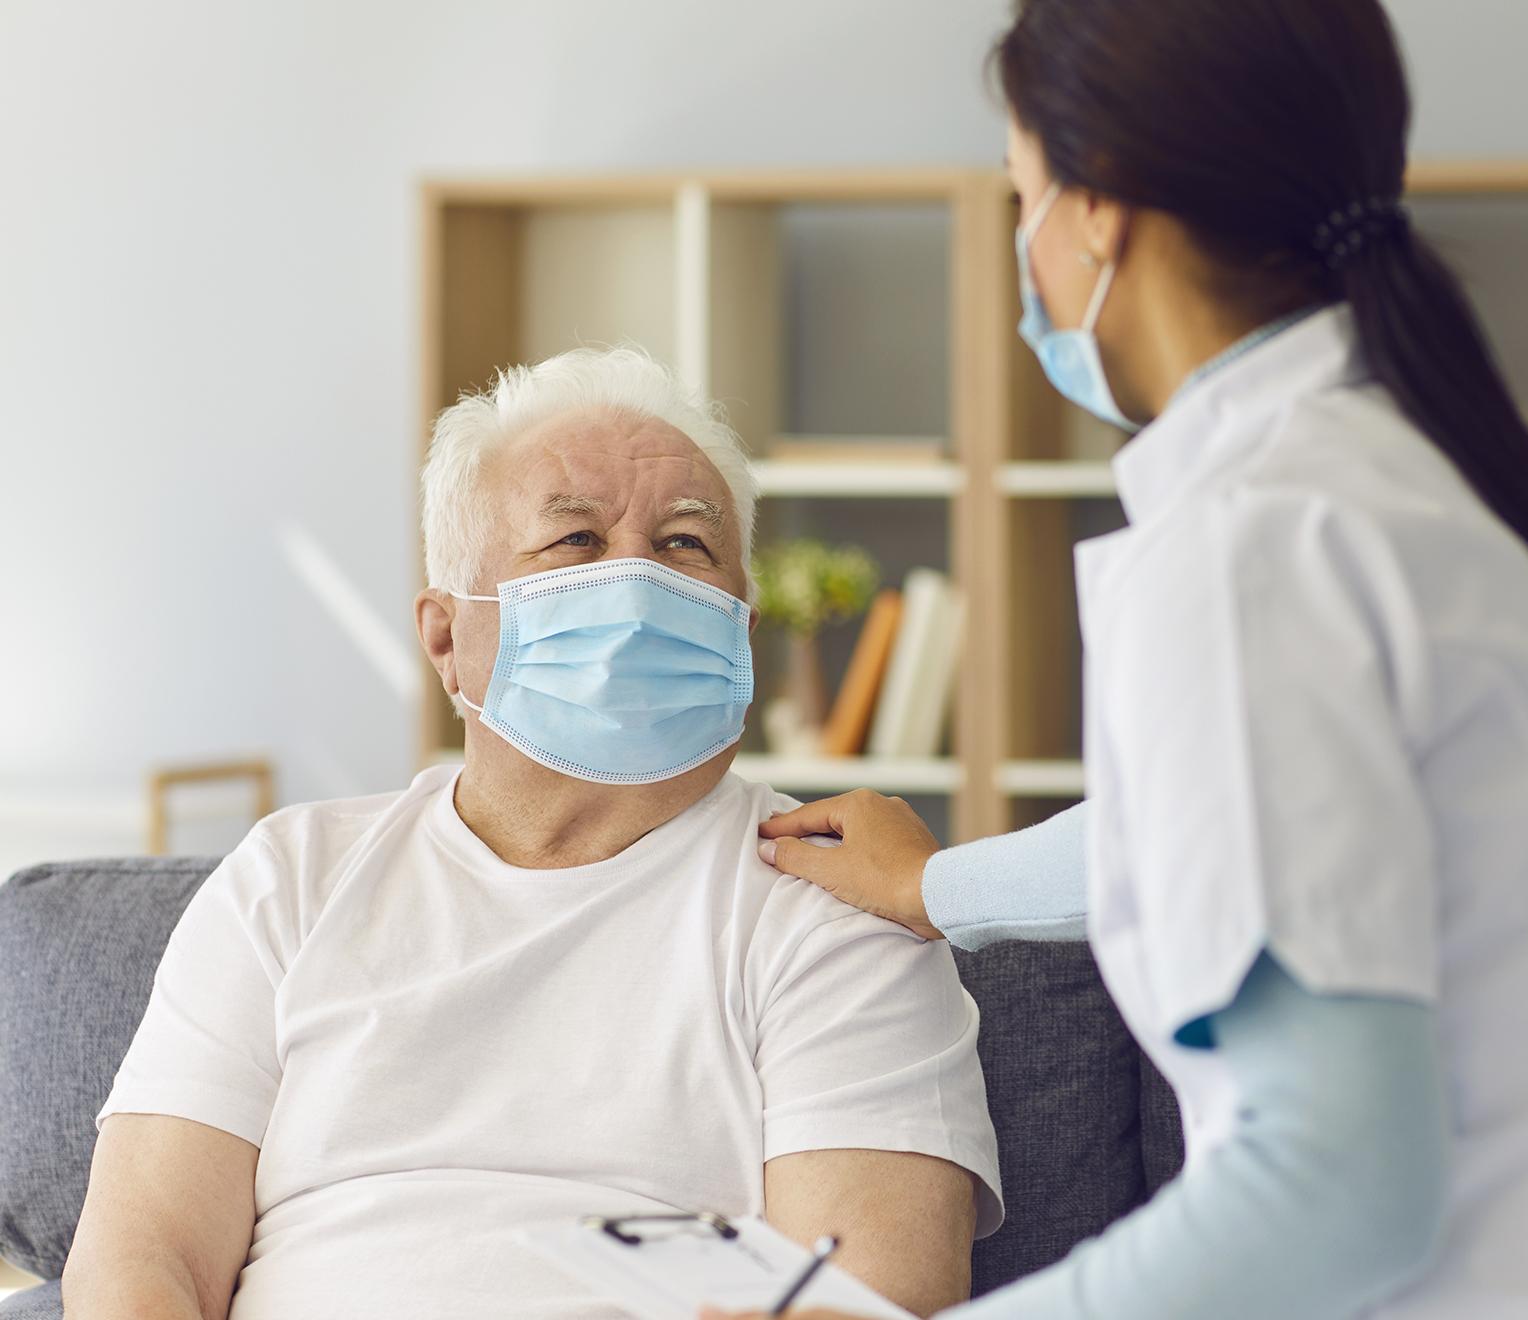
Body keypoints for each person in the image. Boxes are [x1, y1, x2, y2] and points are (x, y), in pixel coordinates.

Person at [716, 1, 1528, 1317]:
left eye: (1021, 195)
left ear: (1101, 212)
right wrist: (942, 887)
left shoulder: (1251, 552)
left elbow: (1333, 1197)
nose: (1021, 246)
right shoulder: (1428, 485)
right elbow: (1260, 827)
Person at [63, 347, 1002, 1320]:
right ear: (443, 636)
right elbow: (141, 1257)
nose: (637, 577)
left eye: (686, 545)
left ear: (741, 627)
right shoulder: (289, 877)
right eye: (576, 542)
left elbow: (867, 1296)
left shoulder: (836, 899)